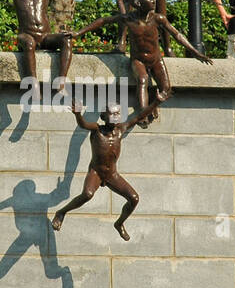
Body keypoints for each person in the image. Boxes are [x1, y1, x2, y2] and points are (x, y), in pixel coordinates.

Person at [72, 0, 212, 125]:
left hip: (156, 59)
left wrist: (195, 52)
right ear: (138, 3)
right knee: (143, 79)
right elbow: (103, 21)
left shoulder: (158, 18)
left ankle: (152, 103)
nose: (153, 0)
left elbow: (177, 35)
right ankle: (143, 114)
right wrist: (78, 33)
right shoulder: (128, 18)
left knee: (166, 89)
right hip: (138, 60)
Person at [52, 100, 158, 241]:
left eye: (117, 114)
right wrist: (78, 114)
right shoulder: (97, 130)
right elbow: (83, 124)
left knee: (134, 199)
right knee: (87, 194)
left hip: (112, 174)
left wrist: (157, 102)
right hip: (96, 172)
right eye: (112, 114)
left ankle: (119, 223)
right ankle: (61, 212)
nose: (115, 116)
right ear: (103, 116)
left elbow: (139, 117)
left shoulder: (121, 130)